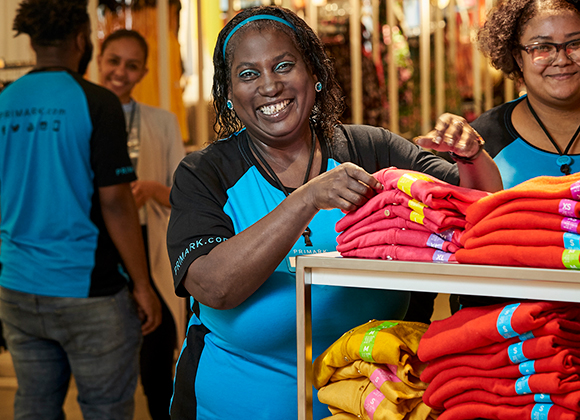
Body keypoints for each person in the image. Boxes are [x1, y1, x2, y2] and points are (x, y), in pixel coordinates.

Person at [166, 5, 502, 420]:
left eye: (284, 66)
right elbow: (214, 287)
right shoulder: (205, 173)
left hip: (369, 406)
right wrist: (305, 200)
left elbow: (479, 215)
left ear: (315, 74)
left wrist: (471, 157)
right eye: (248, 74)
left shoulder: (371, 149)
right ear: (230, 94)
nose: (269, 86)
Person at [0, 1, 161, 419]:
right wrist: (143, 286)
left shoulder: (5, 100)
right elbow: (116, 202)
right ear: (79, 40)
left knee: (34, 406)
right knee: (105, 409)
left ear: (32, 41)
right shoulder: (97, 103)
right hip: (88, 291)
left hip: (17, 287)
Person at [445, 0, 580, 310]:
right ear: (518, 57)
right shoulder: (482, 140)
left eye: (575, 44)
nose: (561, 59)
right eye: (542, 47)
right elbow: (458, 245)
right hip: (508, 333)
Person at [97, 29, 186, 420]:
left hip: (151, 252)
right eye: (113, 61)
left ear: (144, 71)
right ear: (98, 59)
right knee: (104, 372)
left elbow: (183, 197)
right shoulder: (87, 112)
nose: (120, 72)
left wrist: (150, 189)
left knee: (157, 364)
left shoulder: (161, 122)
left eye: (132, 65)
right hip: (100, 257)